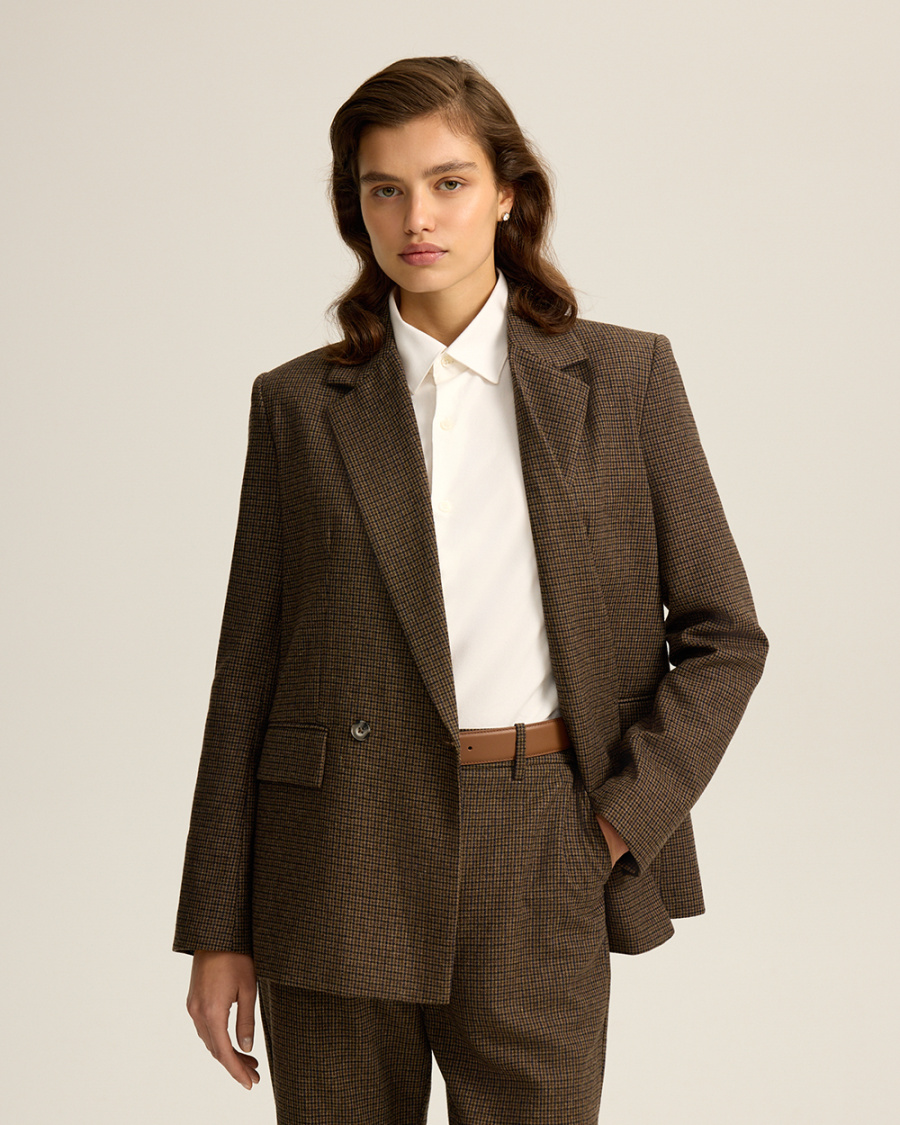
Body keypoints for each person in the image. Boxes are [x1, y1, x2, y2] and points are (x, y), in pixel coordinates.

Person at [174, 55, 768, 1124]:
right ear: (355, 208)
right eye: (384, 189)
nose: (417, 217)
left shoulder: (624, 378)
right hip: (334, 852)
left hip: (541, 839)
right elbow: (246, 671)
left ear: (506, 192)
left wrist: (616, 822)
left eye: (448, 182)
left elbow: (726, 635)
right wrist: (218, 926)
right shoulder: (299, 404)